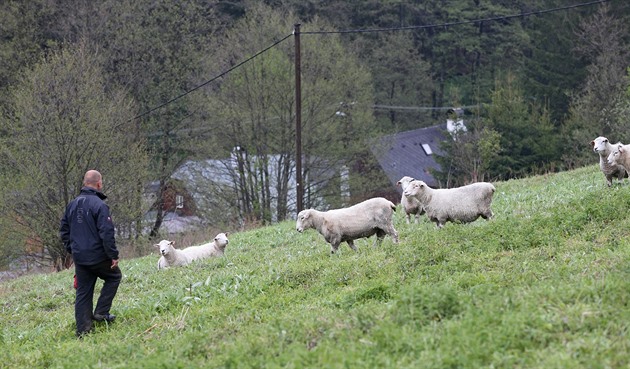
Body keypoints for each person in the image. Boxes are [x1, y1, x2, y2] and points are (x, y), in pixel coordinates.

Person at [60, 170, 121, 338]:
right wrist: (113, 255)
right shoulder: (100, 205)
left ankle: (83, 331)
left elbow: (63, 230)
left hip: (80, 258)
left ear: (84, 183)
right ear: (99, 184)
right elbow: (106, 233)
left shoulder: (72, 205)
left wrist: (73, 250)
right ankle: (101, 312)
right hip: (98, 257)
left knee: (83, 292)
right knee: (114, 277)